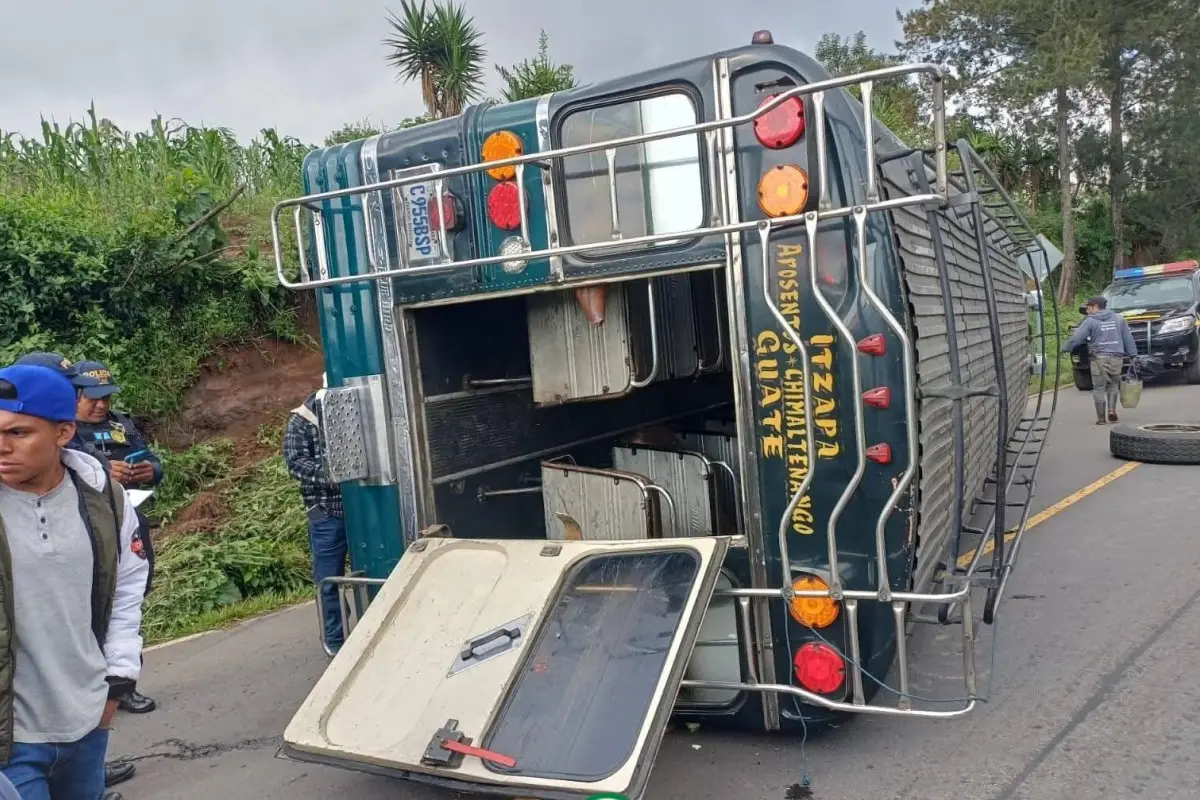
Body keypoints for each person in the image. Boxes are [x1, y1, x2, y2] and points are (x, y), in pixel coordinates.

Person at [0, 364, 148, 800]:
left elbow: (126, 587)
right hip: (11, 738)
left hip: (86, 722)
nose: (1, 447)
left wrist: (118, 681)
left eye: (19, 433)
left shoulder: (103, 497)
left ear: (64, 433)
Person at [283, 387, 347, 655]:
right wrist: (334, 476)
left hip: (359, 509)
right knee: (328, 578)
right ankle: (335, 639)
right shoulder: (300, 422)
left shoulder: (347, 413)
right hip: (323, 512)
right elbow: (296, 463)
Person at [1063, 295, 1137, 425]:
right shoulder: (1119, 319)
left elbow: (1077, 338)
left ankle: (1101, 418)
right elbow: (1128, 338)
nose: (1087, 310)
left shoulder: (1090, 321)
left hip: (1098, 360)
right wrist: (1132, 355)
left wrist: (1064, 348)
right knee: (1113, 384)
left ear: (1096, 307)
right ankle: (1111, 410)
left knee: (1098, 387)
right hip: (1116, 358)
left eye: (1088, 307)